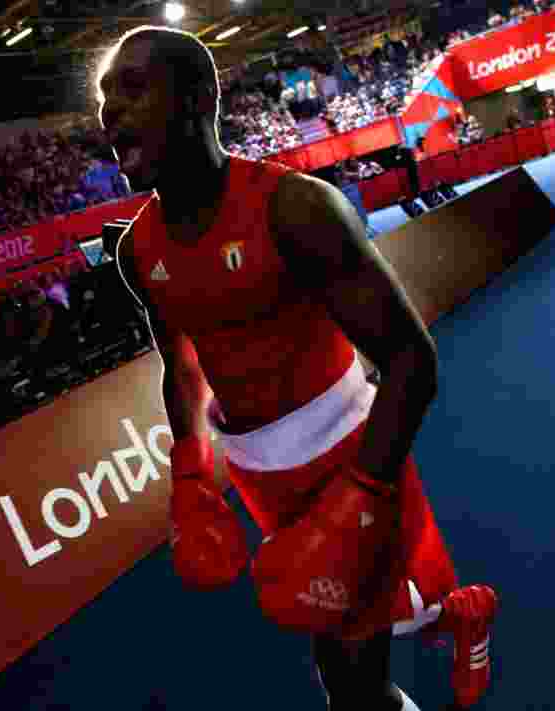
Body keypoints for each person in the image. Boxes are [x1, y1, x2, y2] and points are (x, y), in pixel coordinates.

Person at [97, 26, 498, 711]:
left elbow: (410, 359)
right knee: (370, 619)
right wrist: (193, 473)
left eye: (132, 89)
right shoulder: (137, 253)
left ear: (195, 99)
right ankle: (459, 613)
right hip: (260, 475)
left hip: (350, 448)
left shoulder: (296, 208)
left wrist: (359, 492)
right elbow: (182, 366)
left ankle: (448, 615)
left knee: (348, 671)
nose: (110, 112)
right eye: (105, 97)